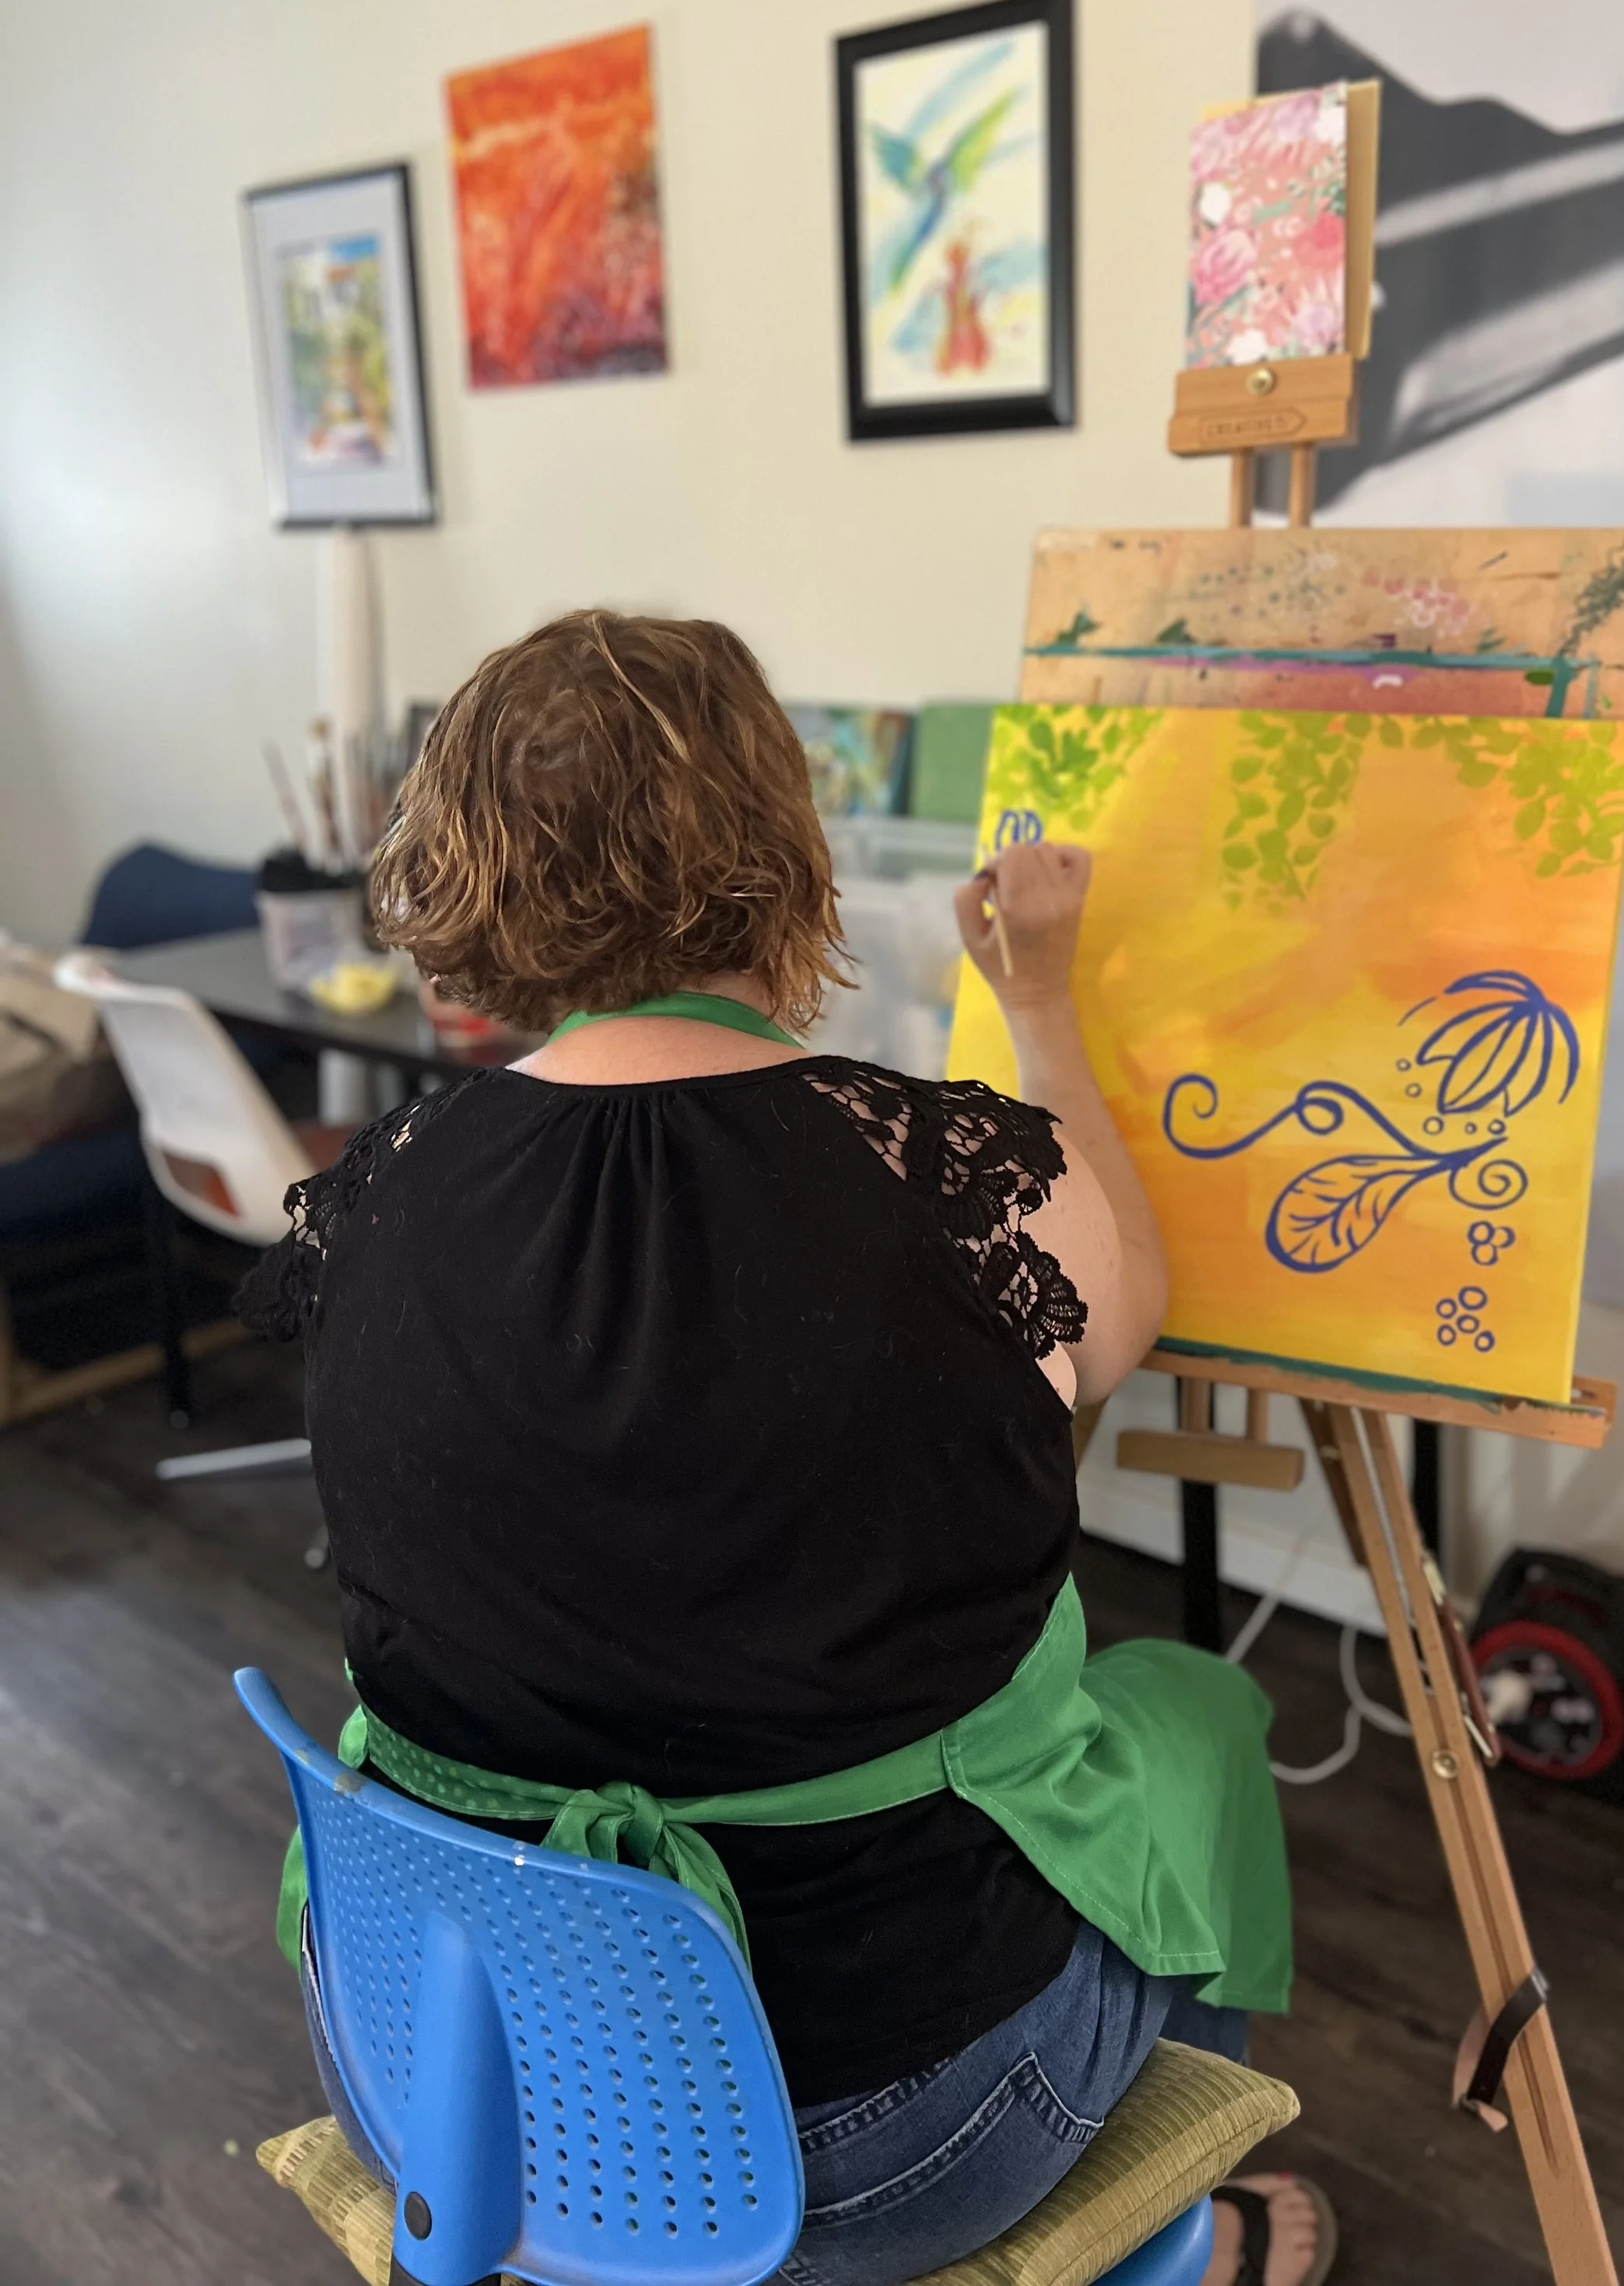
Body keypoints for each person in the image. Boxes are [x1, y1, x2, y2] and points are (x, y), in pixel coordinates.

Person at [240, 611, 1329, 2286]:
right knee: (1192, 1717)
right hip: (888, 2138)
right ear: (782, 845)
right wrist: (1039, 998)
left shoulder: (367, 1198)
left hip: (437, 2069)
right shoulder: (955, 1179)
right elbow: (1123, 1317)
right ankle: (1177, 2216)